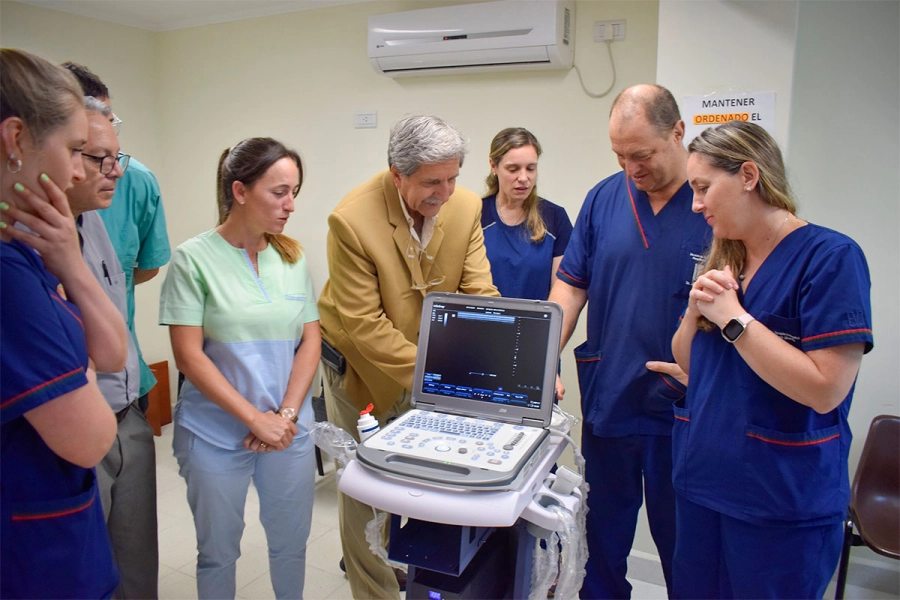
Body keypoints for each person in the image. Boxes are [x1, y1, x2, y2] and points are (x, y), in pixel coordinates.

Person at [670, 120, 873, 599]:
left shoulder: (831, 258)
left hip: (780, 498)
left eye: (703, 188)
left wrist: (735, 321)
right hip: (703, 481)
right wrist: (696, 313)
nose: (695, 204)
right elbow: (693, 366)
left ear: (747, 175)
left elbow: (825, 389)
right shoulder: (726, 257)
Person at [317, 114, 498, 599]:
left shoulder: (465, 205)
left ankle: (410, 570)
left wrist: (500, 362)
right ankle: (371, 588)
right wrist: (441, 375)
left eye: (454, 177)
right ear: (397, 174)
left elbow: (478, 290)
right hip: (359, 368)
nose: (446, 191)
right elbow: (365, 326)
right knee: (364, 489)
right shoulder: (351, 220)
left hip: (422, 361)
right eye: (431, 182)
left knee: (421, 479)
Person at [548, 84, 711, 598]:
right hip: (612, 400)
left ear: (678, 133)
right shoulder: (604, 197)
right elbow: (572, 284)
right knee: (599, 547)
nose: (631, 168)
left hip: (685, 412)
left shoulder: (712, 204)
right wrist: (541, 354)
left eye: (641, 155)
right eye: (619, 155)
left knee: (686, 551)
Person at [159, 138, 320, 599]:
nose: (290, 205)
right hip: (215, 432)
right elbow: (189, 356)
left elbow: (311, 339)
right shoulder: (193, 259)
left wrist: (285, 417)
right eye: (279, 192)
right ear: (240, 191)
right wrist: (254, 420)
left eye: (295, 192)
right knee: (218, 552)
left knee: (291, 546)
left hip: (288, 433)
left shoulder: (292, 257)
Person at [0, 47, 123, 598]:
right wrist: (84, 368)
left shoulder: (32, 251)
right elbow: (93, 439)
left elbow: (114, 353)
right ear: (14, 141)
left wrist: (70, 264)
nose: (80, 171)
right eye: (75, 150)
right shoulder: (8, 276)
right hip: (32, 554)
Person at [66, 96, 159, 599]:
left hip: (127, 412)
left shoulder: (93, 221)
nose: (116, 172)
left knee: (137, 568)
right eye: (98, 158)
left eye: (116, 157)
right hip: (76, 432)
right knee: (86, 574)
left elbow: (112, 337)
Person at [62, 62, 171, 414]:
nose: (115, 171)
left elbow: (143, 270)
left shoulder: (130, 183)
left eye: (110, 119)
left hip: (124, 384)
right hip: (70, 404)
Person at [481, 127, 572, 299]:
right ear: (494, 166)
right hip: (483, 322)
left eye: (530, 168)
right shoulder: (475, 215)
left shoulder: (555, 218)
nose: (523, 178)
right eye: (513, 169)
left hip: (536, 324)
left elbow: (563, 292)